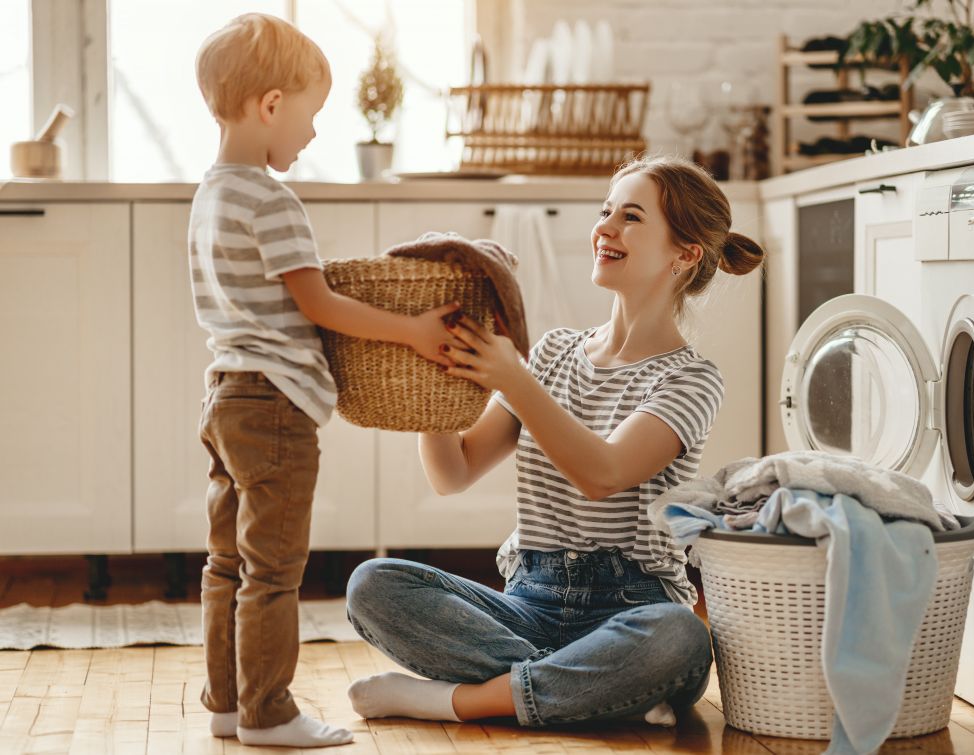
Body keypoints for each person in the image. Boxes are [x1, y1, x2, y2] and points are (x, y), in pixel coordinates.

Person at [344, 156, 766, 728]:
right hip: (528, 602)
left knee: (679, 637)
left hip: (633, 605)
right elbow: (454, 472)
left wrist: (512, 377)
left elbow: (604, 474)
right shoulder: (552, 353)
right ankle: (593, 687)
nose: (606, 227)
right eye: (605, 211)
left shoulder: (689, 380)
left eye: (632, 217)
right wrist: (435, 380)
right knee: (375, 583)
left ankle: (457, 701)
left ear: (685, 253)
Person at [189, 14, 458, 748]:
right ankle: (269, 711)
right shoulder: (272, 200)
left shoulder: (211, 194)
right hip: (276, 403)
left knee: (226, 561)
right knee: (274, 568)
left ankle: (225, 699)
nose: (310, 136)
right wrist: (412, 329)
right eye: (309, 116)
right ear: (271, 105)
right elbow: (320, 304)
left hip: (225, 395)